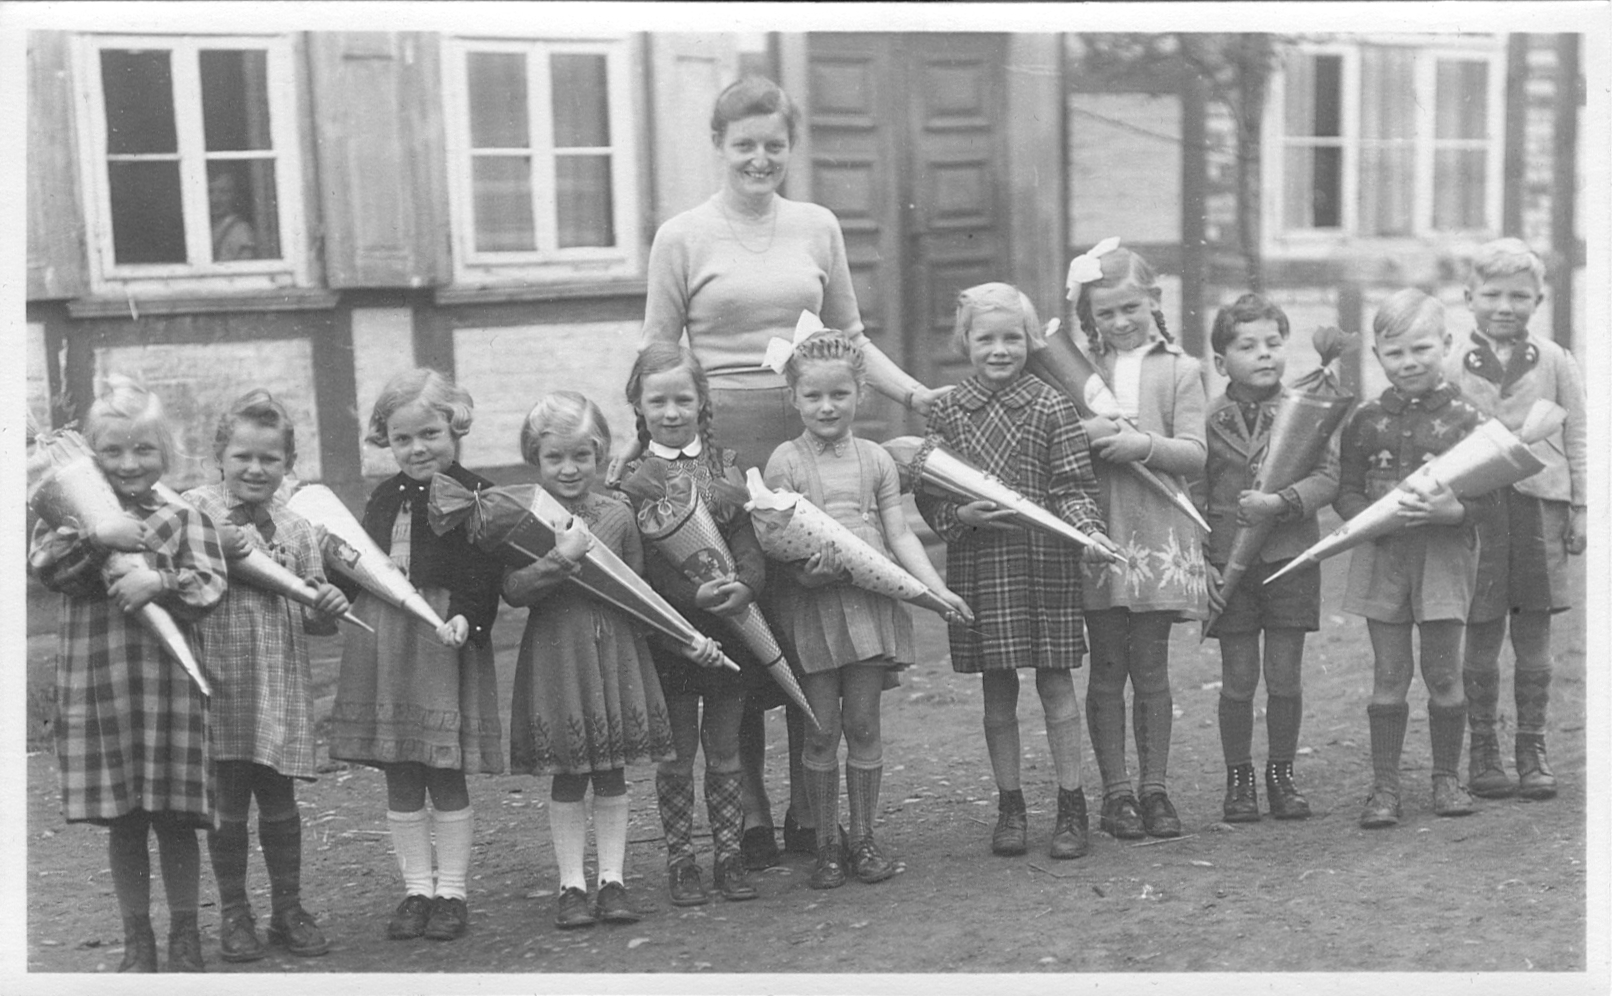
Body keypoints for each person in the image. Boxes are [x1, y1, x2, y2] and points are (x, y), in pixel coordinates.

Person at [636, 75, 948, 866]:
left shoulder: (817, 225)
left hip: (813, 440)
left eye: (775, 143)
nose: (761, 157)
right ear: (719, 145)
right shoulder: (682, 235)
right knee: (745, 625)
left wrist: (915, 394)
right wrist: (653, 456)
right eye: (745, 144)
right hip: (723, 453)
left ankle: (816, 813)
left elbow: (847, 335)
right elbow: (659, 356)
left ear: (790, 147)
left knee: (815, 626)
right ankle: (752, 817)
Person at [29, 376, 228, 972]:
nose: (128, 462)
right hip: (102, 689)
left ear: (165, 453)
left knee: (176, 818)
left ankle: (186, 934)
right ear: (92, 453)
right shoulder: (65, 512)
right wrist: (97, 535)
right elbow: (48, 569)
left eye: (143, 449)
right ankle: (137, 939)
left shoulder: (184, 513)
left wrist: (159, 581)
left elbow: (211, 585)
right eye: (112, 450)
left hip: (168, 692)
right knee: (124, 821)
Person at [767, 324, 972, 887]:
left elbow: (901, 534)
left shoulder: (877, 460)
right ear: (795, 398)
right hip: (813, 609)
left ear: (862, 394)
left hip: (868, 610)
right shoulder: (786, 461)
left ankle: (862, 838)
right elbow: (777, 539)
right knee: (818, 730)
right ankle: (825, 844)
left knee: (862, 724)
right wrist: (803, 574)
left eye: (840, 394)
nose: (827, 406)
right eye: (813, 396)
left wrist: (936, 590)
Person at [917, 285, 1113, 860]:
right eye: (985, 339)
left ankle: (1071, 804)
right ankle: (1010, 806)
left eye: (1011, 338)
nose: (999, 350)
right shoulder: (949, 411)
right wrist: (959, 516)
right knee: (996, 689)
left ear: (1030, 341)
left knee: (1056, 683)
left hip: (1045, 563)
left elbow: (1074, 486)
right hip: (983, 564)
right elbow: (928, 492)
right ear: (965, 342)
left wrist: (1088, 531)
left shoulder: (1053, 406)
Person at [327, 369, 504, 941]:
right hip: (386, 636)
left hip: (441, 638)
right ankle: (416, 890)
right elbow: (356, 563)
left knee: (442, 767)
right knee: (401, 767)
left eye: (429, 433)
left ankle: (451, 890)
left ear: (455, 429)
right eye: (402, 439)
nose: (417, 448)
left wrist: (468, 618)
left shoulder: (476, 495)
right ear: (387, 440)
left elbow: (485, 574)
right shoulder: (382, 496)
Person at [503, 391, 687, 929]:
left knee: (611, 771)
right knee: (568, 772)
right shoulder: (526, 518)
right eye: (554, 458)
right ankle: (571, 885)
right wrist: (559, 560)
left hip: (614, 651)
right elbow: (513, 589)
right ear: (534, 460)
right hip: (559, 653)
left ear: (602, 455)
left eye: (581, 456)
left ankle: (613, 880)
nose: (568, 468)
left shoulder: (618, 514)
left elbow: (638, 587)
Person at [185, 391, 349, 961]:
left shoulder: (299, 528)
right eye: (243, 457)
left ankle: (288, 909)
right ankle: (235, 913)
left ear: (288, 464)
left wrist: (325, 604)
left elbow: (314, 621)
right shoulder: (192, 511)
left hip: (277, 683)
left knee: (279, 799)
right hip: (216, 680)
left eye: (270, 460)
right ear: (219, 457)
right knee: (228, 800)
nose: (256, 469)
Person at [1068, 240, 1209, 840]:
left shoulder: (1181, 370)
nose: (1121, 322)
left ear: (1154, 301)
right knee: (1105, 669)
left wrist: (1142, 445)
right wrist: (1087, 430)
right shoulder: (1077, 372)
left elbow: (1196, 454)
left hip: (1154, 529)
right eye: (1106, 313)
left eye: (1132, 308)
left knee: (1149, 667)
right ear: (1089, 319)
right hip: (1100, 531)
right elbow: (1058, 440)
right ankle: (1116, 793)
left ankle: (1155, 788)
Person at [616, 345, 767, 906]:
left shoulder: (726, 466)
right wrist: (688, 599)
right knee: (677, 754)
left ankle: (729, 854)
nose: (672, 411)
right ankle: (681, 859)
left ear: (703, 400)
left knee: (725, 746)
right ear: (638, 403)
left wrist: (747, 585)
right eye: (659, 400)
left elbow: (749, 542)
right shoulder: (633, 479)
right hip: (673, 630)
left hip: (731, 623)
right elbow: (643, 564)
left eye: (684, 398)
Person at [1337, 289, 1489, 829]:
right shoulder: (1365, 419)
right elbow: (1345, 490)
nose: (1409, 362)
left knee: (1445, 671)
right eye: (1395, 352)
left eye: (1422, 348)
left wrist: (1454, 511)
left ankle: (1447, 778)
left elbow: (1490, 498)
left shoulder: (1470, 419)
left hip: (1445, 558)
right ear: (1378, 355)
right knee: (1390, 671)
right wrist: (1368, 517)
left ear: (1447, 344)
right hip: (1385, 558)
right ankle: (1384, 788)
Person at [1444, 238, 1587, 801]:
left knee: (1534, 631)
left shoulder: (1554, 360)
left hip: (1539, 510)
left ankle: (1532, 747)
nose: (1505, 306)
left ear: (1539, 298)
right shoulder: (1453, 362)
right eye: (1493, 294)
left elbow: (1578, 434)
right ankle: (1485, 749)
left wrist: (1581, 508)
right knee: (1480, 629)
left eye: (1519, 296)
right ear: (1469, 296)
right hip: (1476, 513)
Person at [1201, 295, 1338, 822]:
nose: (1264, 355)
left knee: (1284, 676)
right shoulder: (1210, 420)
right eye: (1247, 345)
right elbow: (1195, 491)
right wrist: (1204, 561)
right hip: (1229, 563)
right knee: (1237, 678)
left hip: (1290, 559)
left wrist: (1282, 502)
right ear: (1220, 362)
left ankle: (1282, 775)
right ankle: (1239, 780)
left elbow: (1328, 477)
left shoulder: (1306, 411)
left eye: (1274, 344)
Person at [210, 172, 258, 262]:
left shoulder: (241, 230)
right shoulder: (208, 227)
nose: (215, 199)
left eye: (223, 192)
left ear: (234, 196)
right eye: (211, 192)